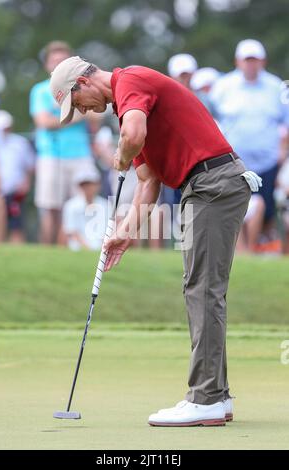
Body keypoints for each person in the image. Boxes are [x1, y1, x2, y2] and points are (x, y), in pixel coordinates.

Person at [50, 57, 261, 427]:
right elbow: (148, 183)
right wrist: (125, 232)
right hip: (204, 187)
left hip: (213, 184)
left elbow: (132, 138)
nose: (81, 111)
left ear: (83, 81)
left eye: (76, 103)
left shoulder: (129, 81)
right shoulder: (126, 106)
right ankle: (218, 397)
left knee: (202, 289)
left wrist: (121, 155)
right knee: (202, 288)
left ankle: (206, 397)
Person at [211, 39, 289, 231]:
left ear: (263, 61)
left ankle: (263, 251)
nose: (251, 64)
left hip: (268, 163)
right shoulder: (222, 86)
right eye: (247, 60)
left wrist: (282, 151)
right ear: (238, 61)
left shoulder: (276, 86)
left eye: (255, 60)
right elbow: (211, 121)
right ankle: (239, 251)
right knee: (233, 208)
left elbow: (286, 122)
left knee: (268, 210)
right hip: (233, 164)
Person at [30, 41, 94, 244]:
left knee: (83, 207)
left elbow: (97, 116)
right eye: (54, 60)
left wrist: (64, 116)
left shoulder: (83, 87)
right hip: (51, 155)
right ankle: (48, 253)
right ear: (47, 64)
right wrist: (77, 113)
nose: (58, 64)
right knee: (51, 208)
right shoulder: (40, 91)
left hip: (81, 154)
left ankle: (80, 250)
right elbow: (44, 122)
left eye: (62, 60)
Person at [0, 110, 35, 243]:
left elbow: (30, 166)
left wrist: (26, 183)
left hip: (14, 192)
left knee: (16, 226)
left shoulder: (20, 143)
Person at [62, 165, 108, 251]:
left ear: (97, 185)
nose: (87, 187)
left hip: (101, 247)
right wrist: (87, 247)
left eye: (90, 184)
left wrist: (103, 247)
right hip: (77, 248)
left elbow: (107, 232)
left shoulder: (106, 205)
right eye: (84, 185)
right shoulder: (70, 205)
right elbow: (72, 232)